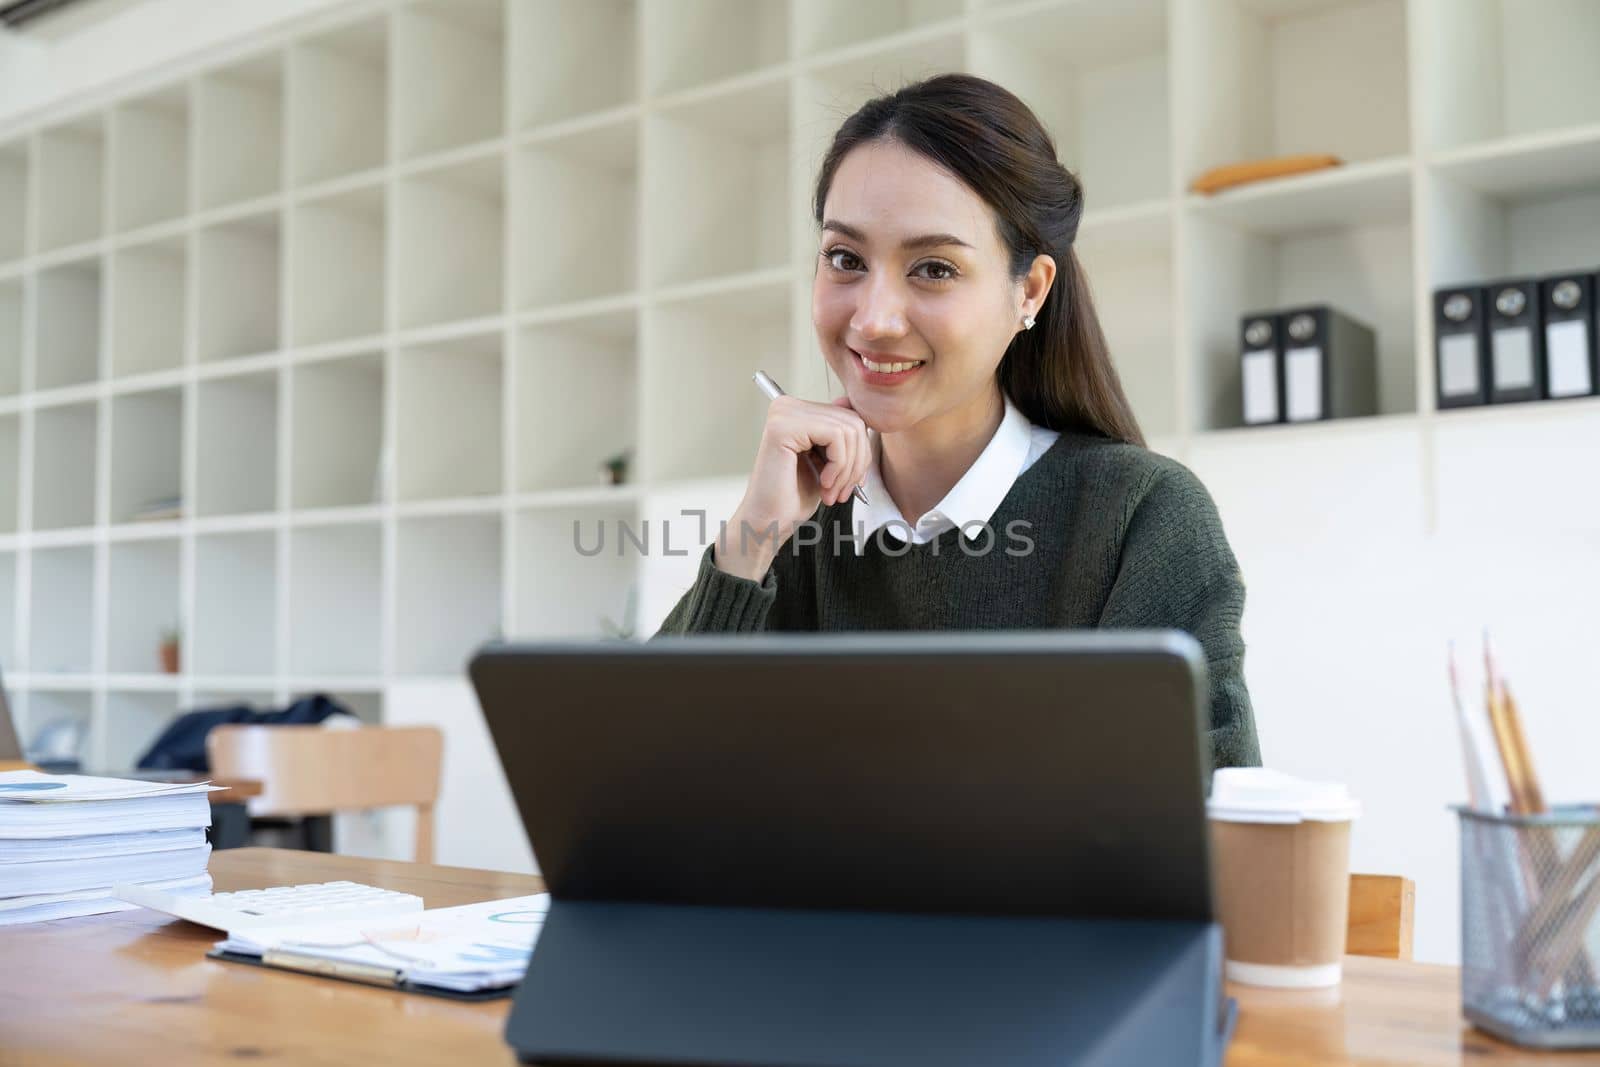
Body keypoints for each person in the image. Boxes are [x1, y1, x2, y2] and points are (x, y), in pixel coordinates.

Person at [656, 73, 1260, 769]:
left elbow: (1215, 830)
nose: (874, 319)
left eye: (934, 268)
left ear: (1028, 290)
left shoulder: (1140, 517)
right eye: (845, 259)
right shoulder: (796, 525)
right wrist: (751, 539)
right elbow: (639, 788)